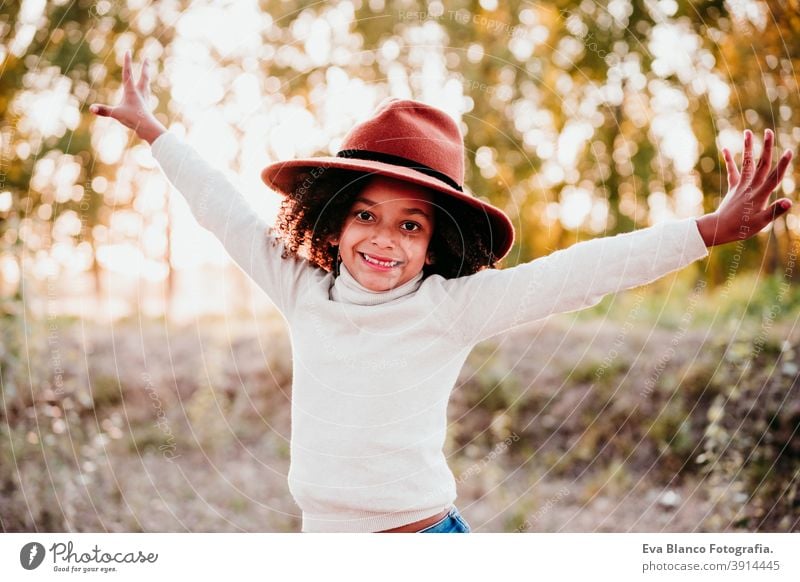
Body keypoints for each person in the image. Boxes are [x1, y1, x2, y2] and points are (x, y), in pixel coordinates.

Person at [90, 50, 794, 533]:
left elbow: (581, 271)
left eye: (410, 224)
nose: (383, 238)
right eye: (366, 214)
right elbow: (222, 207)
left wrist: (706, 229)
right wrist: (152, 129)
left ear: (436, 247)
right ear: (332, 225)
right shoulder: (302, 291)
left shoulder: (447, 311)